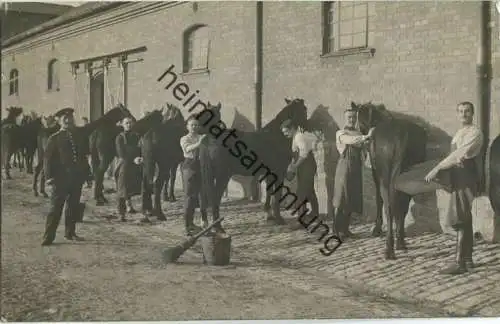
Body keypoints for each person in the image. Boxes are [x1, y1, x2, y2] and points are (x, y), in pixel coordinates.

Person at [425, 101, 484, 275]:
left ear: (472, 114)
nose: (464, 114)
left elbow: (460, 154)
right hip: (457, 175)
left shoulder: (475, 132)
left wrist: (437, 168)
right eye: (460, 112)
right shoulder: (459, 133)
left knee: (460, 215)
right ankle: (468, 259)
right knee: (464, 216)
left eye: (467, 111)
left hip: (466, 175)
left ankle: (459, 262)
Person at [41, 108, 88, 245]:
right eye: (65, 119)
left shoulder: (77, 136)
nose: (68, 121)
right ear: (59, 121)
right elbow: (47, 160)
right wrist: (49, 177)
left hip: (76, 178)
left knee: (73, 207)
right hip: (60, 180)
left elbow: (81, 157)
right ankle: (48, 236)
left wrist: (87, 175)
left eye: (70, 118)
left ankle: (70, 233)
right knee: (55, 208)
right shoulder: (54, 138)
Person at [332, 108, 375, 240]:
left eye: (353, 117)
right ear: (345, 118)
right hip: (344, 166)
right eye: (349, 117)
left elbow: (363, 150)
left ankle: (345, 229)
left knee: (351, 198)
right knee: (341, 199)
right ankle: (336, 231)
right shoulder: (341, 133)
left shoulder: (357, 132)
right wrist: (366, 137)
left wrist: (366, 145)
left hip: (356, 168)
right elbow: (351, 140)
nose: (352, 120)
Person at [281, 119, 320, 219]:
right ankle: (315, 213)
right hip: (307, 165)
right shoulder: (298, 135)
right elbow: (314, 137)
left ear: (292, 129)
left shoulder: (299, 136)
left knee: (301, 193)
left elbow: (303, 154)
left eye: (286, 131)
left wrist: (295, 166)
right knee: (310, 190)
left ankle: (301, 220)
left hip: (307, 166)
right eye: (283, 132)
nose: (285, 134)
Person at [180, 116, 207, 236]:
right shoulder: (184, 138)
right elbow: (188, 148)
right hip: (189, 166)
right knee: (189, 196)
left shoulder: (201, 137)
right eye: (192, 125)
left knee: (201, 195)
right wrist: (199, 143)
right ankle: (187, 225)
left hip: (201, 166)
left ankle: (198, 222)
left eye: (196, 125)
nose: (194, 127)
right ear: (187, 127)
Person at [114, 117, 143, 222]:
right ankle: (121, 213)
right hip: (125, 164)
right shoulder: (120, 137)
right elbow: (121, 153)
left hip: (136, 164)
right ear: (122, 124)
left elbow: (140, 148)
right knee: (122, 188)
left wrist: (140, 157)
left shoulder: (137, 136)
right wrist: (133, 159)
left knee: (135, 187)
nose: (129, 125)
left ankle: (134, 207)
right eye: (126, 123)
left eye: (130, 123)